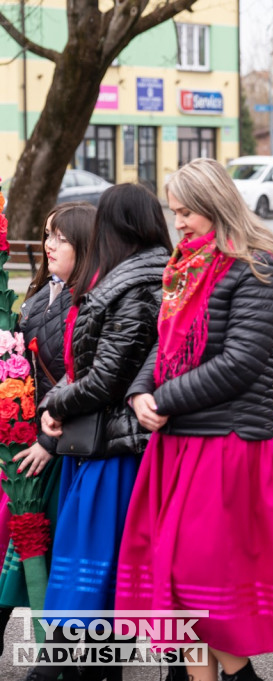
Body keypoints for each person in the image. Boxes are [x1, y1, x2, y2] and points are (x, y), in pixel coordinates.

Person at [116, 158, 273, 681]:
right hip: (180, 440)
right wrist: (140, 391)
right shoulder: (186, 266)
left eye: (186, 212)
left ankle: (241, 675)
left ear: (215, 205)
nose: (178, 222)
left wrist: (162, 399)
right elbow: (163, 342)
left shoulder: (258, 267)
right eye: (174, 211)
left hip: (228, 442)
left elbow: (240, 363)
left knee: (197, 582)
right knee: (177, 585)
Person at [34, 184, 171, 681]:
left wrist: (54, 403)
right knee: (102, 564)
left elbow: (105, 378)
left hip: (116, 443)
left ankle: (65, 663)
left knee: (90, 560)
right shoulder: (136, 278)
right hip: (104, 436)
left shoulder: (134, 286)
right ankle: (86, 663)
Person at [0, 203, 93, 656]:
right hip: (28, 446)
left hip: (67, 449)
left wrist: (46, 442)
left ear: (87, 245)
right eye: (47, 235)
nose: (49, 245)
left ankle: (69, 654)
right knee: (15, 541)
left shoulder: (92, 301)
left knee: (56, 557)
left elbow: (88, 381)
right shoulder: (37, 300)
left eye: (61, 237)